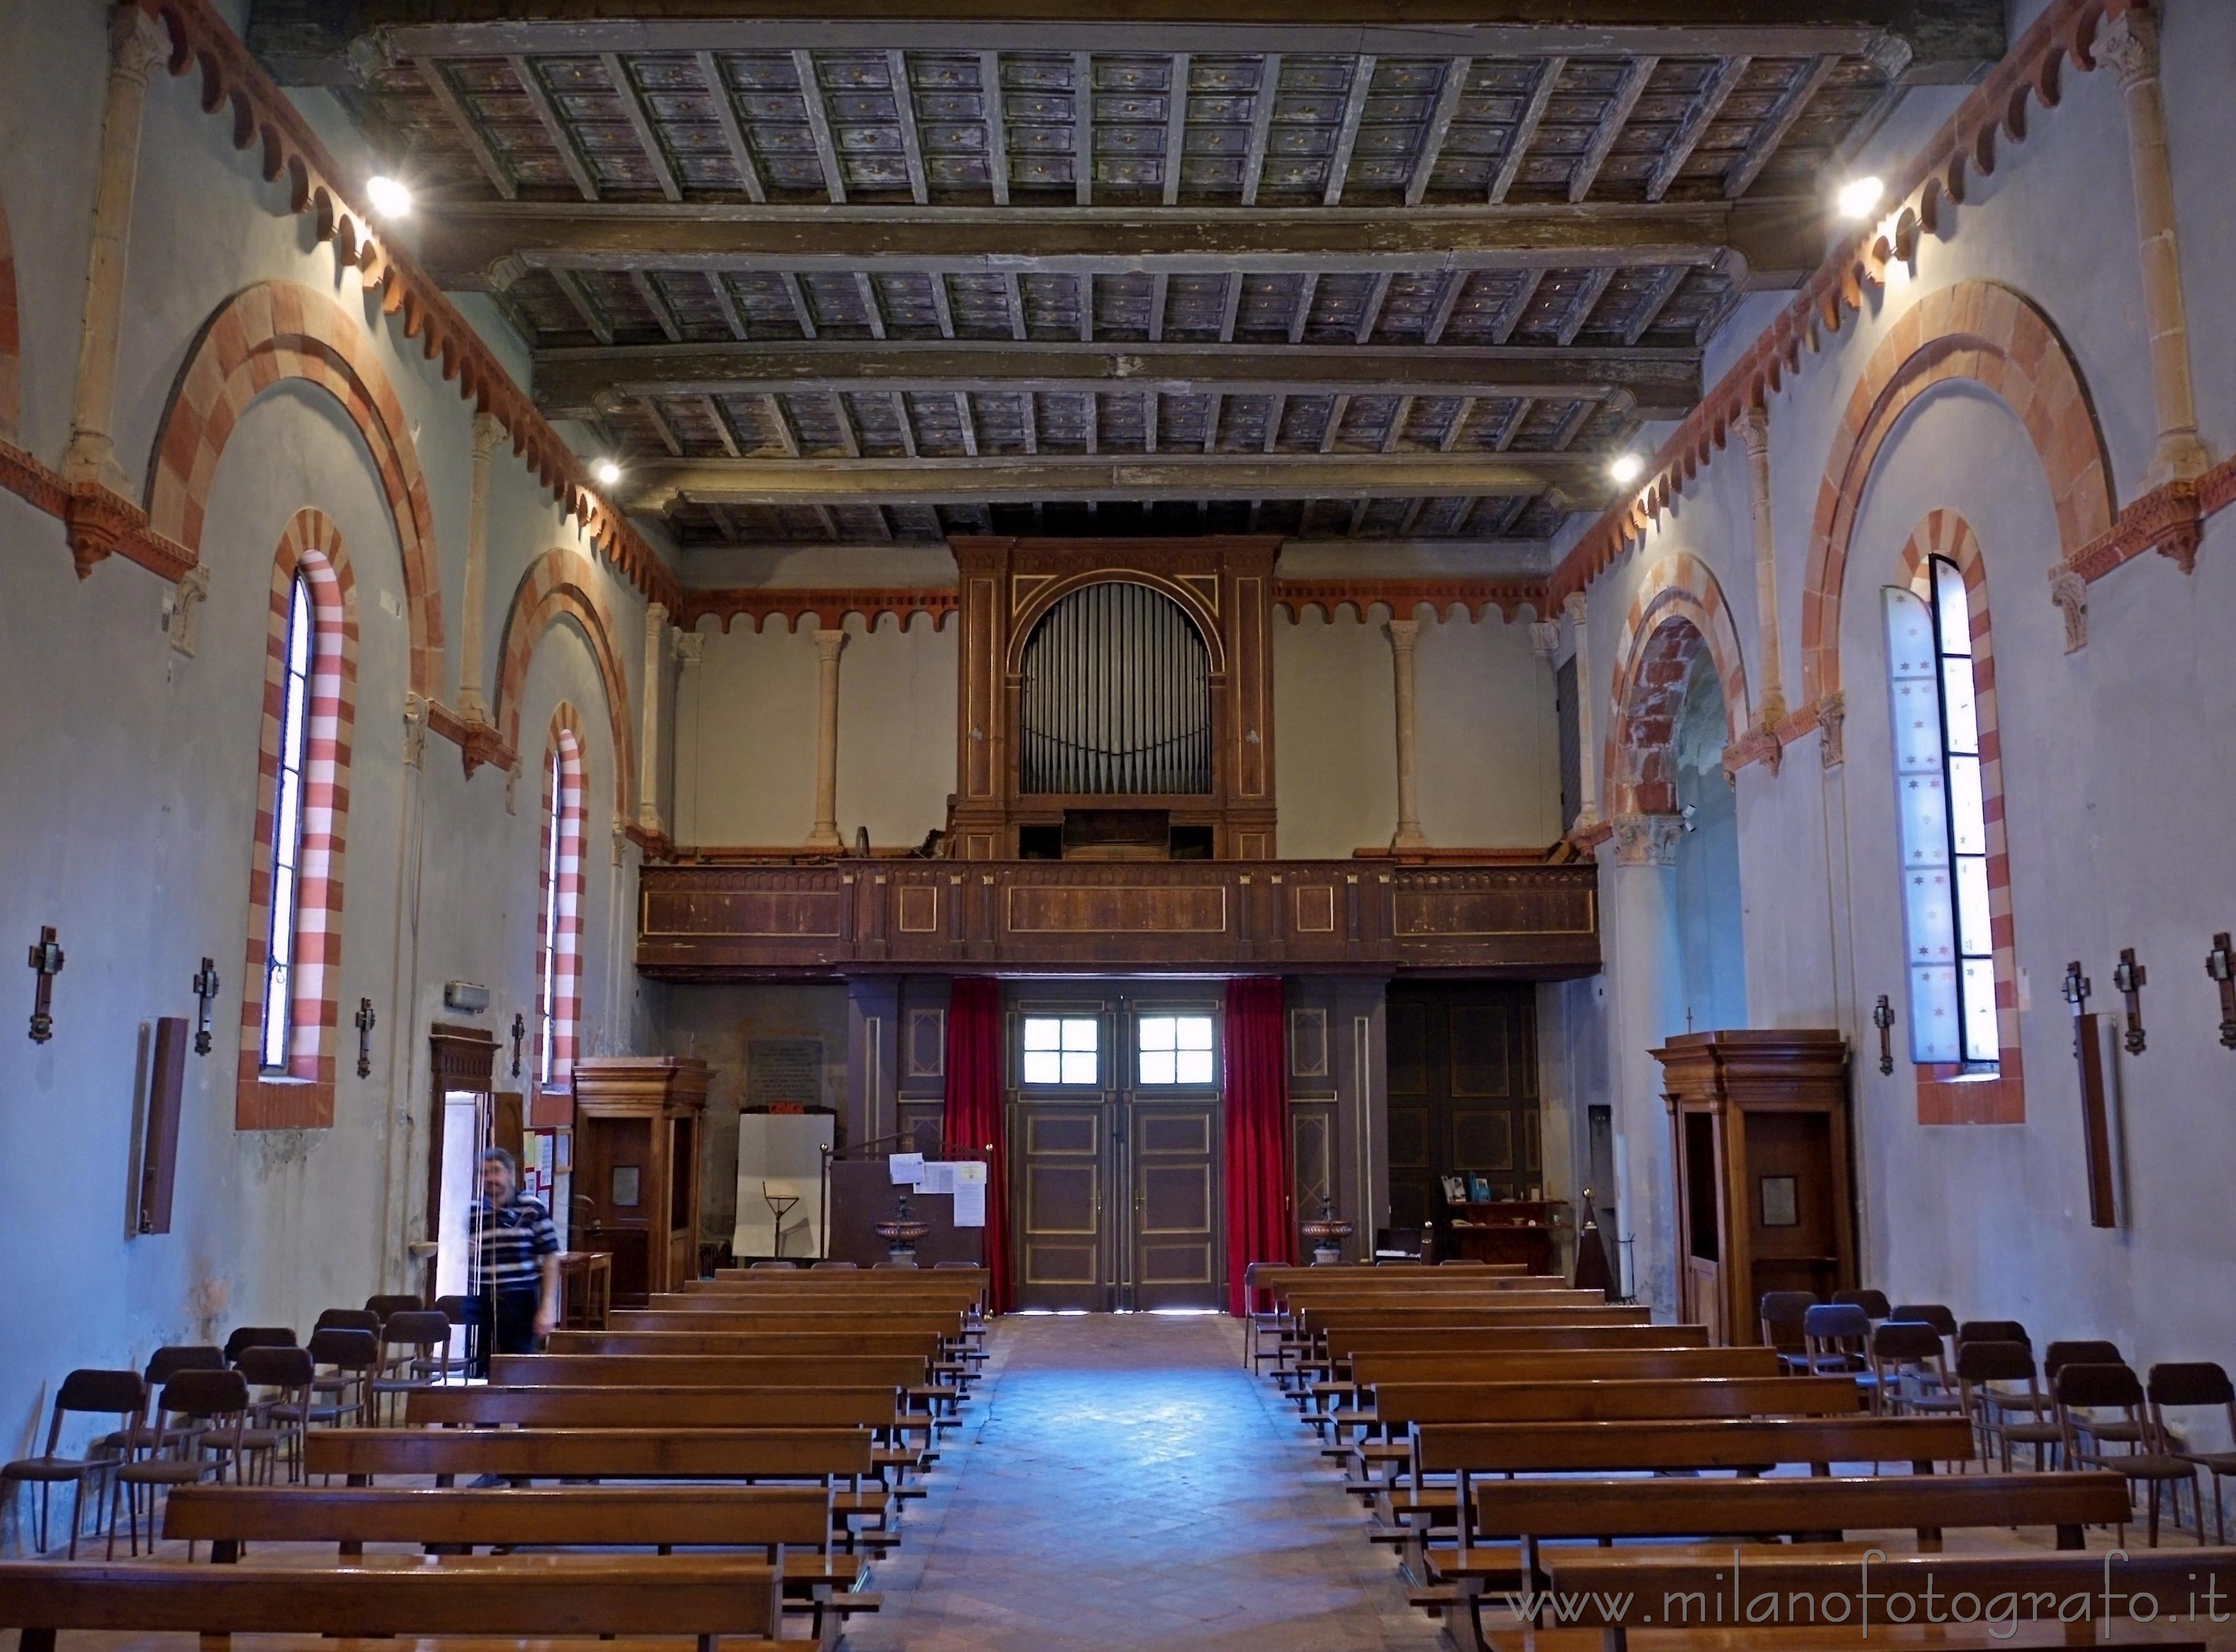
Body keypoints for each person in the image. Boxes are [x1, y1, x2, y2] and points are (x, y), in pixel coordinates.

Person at [468, 1147, 561, 1379]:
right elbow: (465, 1256)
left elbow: (551, 1257)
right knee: (482, 1371)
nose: (490, 1178)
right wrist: (466, 1252)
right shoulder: (475, 1212)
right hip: (482, 1300)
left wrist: (548, 1307)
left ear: (510, 1174)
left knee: (518, 1371)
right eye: (484, 1173)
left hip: (519, 1300)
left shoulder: (531, 1208)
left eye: (496, 1171)